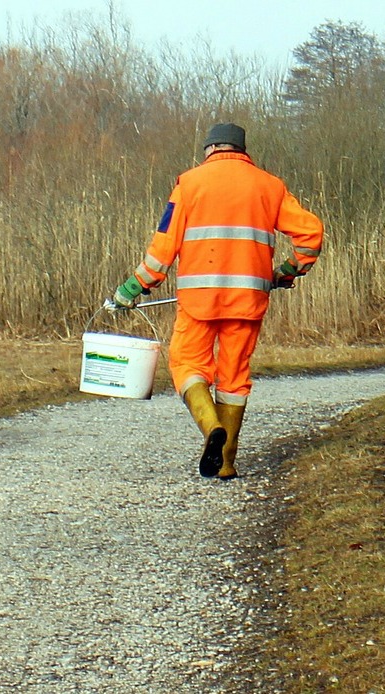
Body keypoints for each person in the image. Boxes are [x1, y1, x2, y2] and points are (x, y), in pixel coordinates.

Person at [111, 123, 324, 480]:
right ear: (243, 150)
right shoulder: (270, 186)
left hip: (199, 299)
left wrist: (135, 286)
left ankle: (211, 428)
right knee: (234, 378)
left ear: (208, 149)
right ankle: (226, 462)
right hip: (249, 299)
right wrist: (287, 271)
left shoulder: (189, 184)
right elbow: (310, 235)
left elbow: (164, 246)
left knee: (186, 364)